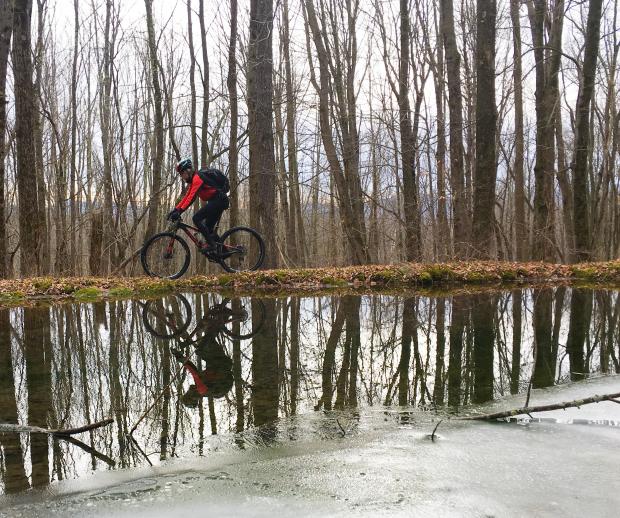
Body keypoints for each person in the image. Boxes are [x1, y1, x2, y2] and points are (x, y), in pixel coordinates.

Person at [167, 158, 229, 253]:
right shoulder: (194, 181)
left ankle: (212, 245)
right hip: (216, 201)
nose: (182, 177)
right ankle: (224, 252)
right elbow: (186, 197)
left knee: (196, 218)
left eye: (183, 173)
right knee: (208, 229)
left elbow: (191, 198)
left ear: (188, 171)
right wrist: (175, 209)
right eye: (181, 175)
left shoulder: (197, 178)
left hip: (219, 200)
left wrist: (180, 212)